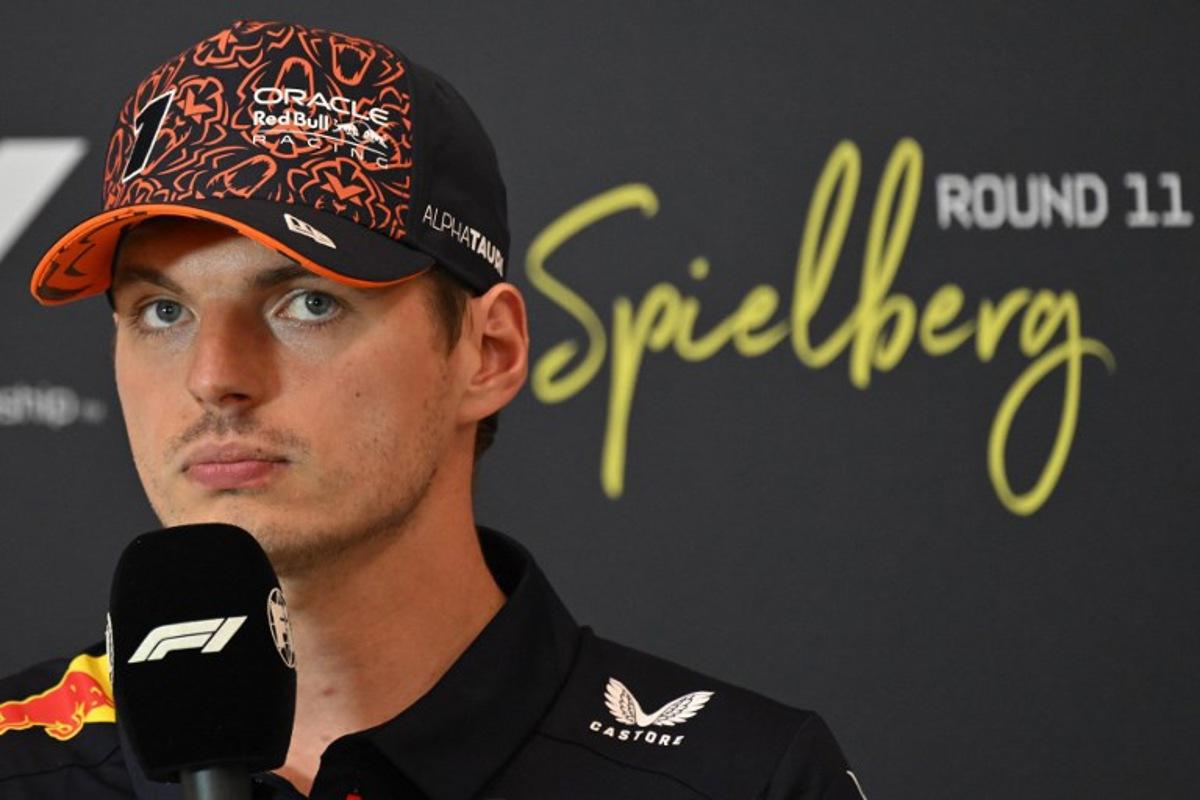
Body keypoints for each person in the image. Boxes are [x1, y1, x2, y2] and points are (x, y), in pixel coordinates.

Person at [0, 18, 867, 800]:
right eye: (163, 312)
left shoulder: (741, 780)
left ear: (487, 352)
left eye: (308, 303)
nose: (214, 377)